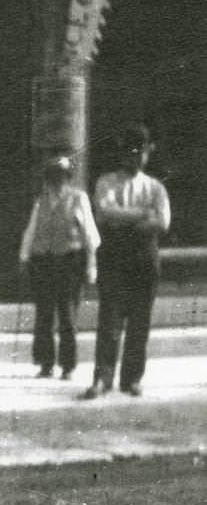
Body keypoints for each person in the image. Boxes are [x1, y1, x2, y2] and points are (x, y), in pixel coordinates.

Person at [85, 124, 171, 399]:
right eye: (130, 153)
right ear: (122, 155)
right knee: (109, 319)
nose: (135, 158)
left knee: (139, 322)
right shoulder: (106, 182)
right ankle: (102, 378)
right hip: (115, 256)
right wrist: (143, 215)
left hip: (144, 258)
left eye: (141, 153)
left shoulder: (155, 187)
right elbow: (104, 210)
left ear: (147, 155)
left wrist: (123, 219)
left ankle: (132, 379)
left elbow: (164, 222)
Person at [18, 153, 99, 380]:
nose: (57, 181)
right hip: (44, 261)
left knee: (67, 314)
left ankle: (68, 365)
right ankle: (45, 364)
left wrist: (92, 267)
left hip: (70, 262)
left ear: (68, 177)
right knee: (43, 315)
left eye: (62, 176)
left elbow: (91, 235)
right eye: (53, 176)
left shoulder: (78, 198)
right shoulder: (41, 200)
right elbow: (31, 230)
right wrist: (24, 257)